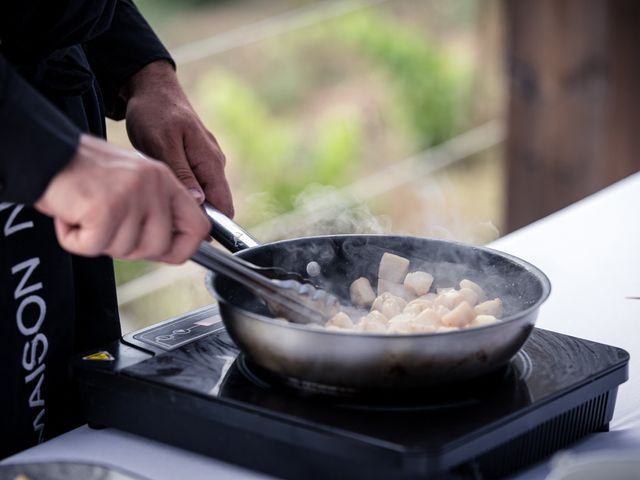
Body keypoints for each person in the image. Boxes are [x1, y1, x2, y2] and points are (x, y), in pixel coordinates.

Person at [0, 1, 234, 458]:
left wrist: (144, 71)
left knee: (69, 415)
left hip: (56, 107)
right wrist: (48, 154)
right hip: (19, 140)